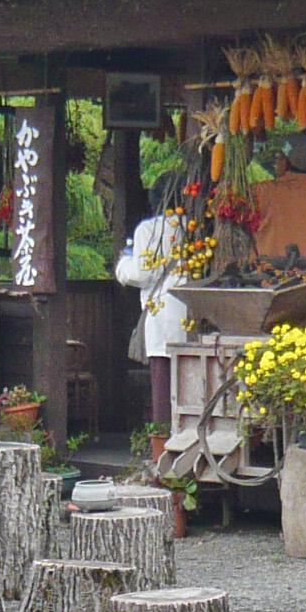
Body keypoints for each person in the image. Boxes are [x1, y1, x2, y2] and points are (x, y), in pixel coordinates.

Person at [116, 178, 189, 435]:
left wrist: (123, 264)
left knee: (163, 383)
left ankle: (164, 439)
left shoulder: (148, 229)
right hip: (192, 311)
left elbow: (143, 273)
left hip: (163, 311)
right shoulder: (196, 228)